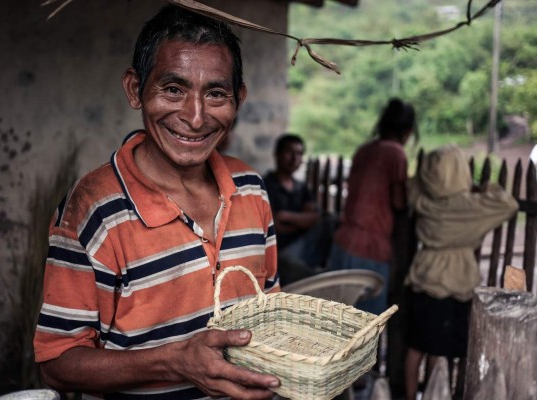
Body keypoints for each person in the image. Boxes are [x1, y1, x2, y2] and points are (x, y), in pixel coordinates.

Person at [33, 6, 280, 400]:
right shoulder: (94, 210)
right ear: (135, 90)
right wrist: (174, 361)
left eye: (216, 94)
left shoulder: (250, 189)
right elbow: (57, 363)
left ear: (239, 100)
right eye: (173, 90)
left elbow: (270, 316)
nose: (196, 118)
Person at [403, 144, 518, 400]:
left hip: (423, 277)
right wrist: (484, 187)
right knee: (438, 350)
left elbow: (412, 185)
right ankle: (435, 395)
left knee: (415, 347)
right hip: (453, 283)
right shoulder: (470, 207)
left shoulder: (423, 201)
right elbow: (508, 204)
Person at [329, 98, 417, 315]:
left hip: (343, 243)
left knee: (335, 319)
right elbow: (398, 202)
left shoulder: (365, 150)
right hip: (370, 250)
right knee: (366, 325)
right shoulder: (396, 154)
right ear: (407, 131)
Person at [264, 134, 336, 285]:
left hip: (303, 249)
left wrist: (286, 216)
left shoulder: (302, 188)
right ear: (277, 154)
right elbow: (276, 226)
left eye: (299, 154)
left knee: (331, 222)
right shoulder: (266, 185)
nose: (294, 158)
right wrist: (303, 221)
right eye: (289, 152)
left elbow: (316, 217)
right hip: (279, 252)